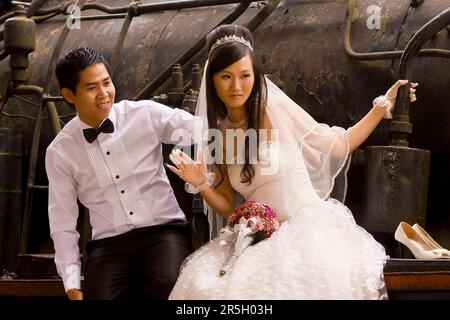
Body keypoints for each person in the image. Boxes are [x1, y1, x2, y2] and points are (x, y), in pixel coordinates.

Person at [166, 24, 418, 299]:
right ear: (212, 80)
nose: (236, 86)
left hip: (306, 229)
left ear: (255, 75)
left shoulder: (273, 109)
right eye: (226, 76)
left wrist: (382, 107)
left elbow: (339, 144)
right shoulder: (218, 134)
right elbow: (228, 206)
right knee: (205, 287)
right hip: (259, 237)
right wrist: (202, 183)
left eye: (245, 75)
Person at [46, 47, 195, 300]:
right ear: (69, 95)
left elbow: (203, 130)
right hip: (109, 246)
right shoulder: (60, 151)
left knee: (169, 282)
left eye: (107, 83)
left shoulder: (144, 114)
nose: (104, 94)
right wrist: (71, 285)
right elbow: (62, 223)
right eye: (92, 88)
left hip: (164, 231)